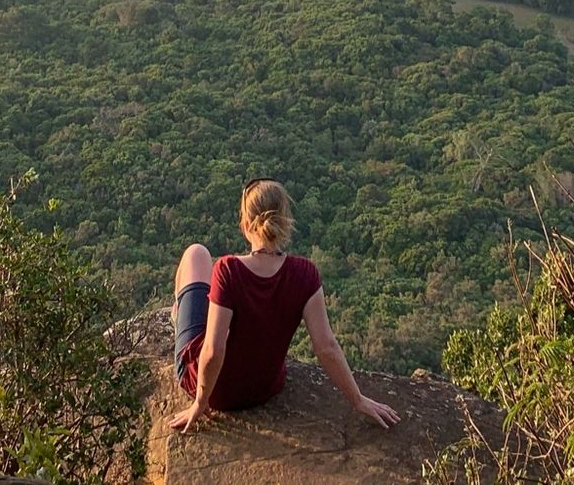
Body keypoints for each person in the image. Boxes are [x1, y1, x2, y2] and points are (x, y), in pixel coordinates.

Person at [168, 178, 400, 433]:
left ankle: (178, 317)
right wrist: (358, 400)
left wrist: (200, 402)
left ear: (245, 225)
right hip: (263, 390)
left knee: (196, 254)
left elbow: (213, 349)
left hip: (218, 395)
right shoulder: (305, 274)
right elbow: (326, 347)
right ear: (285, 221)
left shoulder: (228, 270)